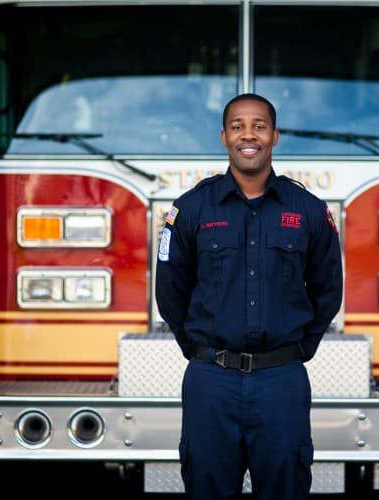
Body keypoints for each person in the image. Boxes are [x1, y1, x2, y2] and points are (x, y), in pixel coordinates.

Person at [155, 93, 343, 500]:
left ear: (275, 135)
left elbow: (329, 288)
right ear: (224, 136)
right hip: (211, 382)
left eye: (259, 125)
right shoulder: (190, 209)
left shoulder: (307, 210)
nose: (248, 134)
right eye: (238, 125)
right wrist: (199, 350)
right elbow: (169, 290)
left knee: (285, 488)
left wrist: (297, 350)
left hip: (282, 382)